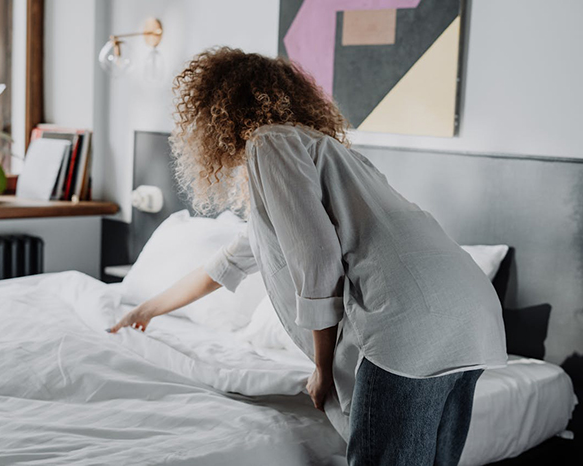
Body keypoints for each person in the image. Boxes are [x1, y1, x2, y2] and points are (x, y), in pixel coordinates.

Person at [107, 47, 507, 466]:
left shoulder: (269, 142)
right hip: (473, 315)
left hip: (412, 325)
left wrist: (322, 370)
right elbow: (227, 264)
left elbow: (316, 262)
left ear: (218, 113)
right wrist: (147, 309)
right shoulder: (331, 155)